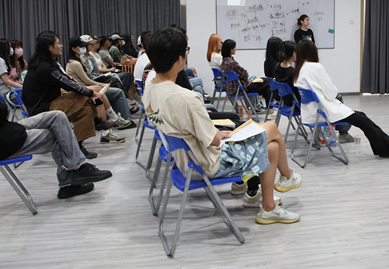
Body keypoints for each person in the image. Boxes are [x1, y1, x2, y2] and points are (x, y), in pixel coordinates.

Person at [143, 27, 302, 223]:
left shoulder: (150, 87)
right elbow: (214, 140)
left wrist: (216, 133)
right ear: (179, 59)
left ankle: (269, 207)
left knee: (272, 147)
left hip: (184, 161)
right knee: (272, 128)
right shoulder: (187, 98)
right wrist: (219, 134)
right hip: (208, 163)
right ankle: (286, 178)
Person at [0, 33, 112, 199]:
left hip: (2, 130)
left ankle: (78, 168)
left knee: (58, 116)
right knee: (60, 134)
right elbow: (1, 112)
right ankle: (70, 180)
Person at [294, 39, 389, 157]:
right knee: (363, 121)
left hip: (311, 114)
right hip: (324, 113)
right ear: (313, 51)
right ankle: (387, 147)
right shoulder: (316, 67)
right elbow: (332, 94)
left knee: (362, 117)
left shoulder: (299, 69)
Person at [22, 31, 112, 159]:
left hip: (53, 102)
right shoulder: (44, 67)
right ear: (50, 47)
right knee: (83, 96)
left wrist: (90, 93)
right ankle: (96, 121)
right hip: (41, 108)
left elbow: (68, 80)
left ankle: (78, 147)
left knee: (86, 109)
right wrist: (91, 93)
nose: (61, 46)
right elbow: (68, 85)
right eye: (58, 43)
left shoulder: (49, 63)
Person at [275, 41, 353, 144]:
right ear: (294, 53)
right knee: (337, 97)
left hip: (287, 103)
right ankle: (343, 132)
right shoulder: (293, 72)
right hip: (301, 104)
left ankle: (339, 130)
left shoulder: (278, 67)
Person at [66, 36, 135, 139]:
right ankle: (114, 121)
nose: (85, 47)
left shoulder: (81, 60)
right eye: (81, 46)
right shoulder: (75, 63)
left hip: (87, 86)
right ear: (74, 49)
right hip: (83, 88)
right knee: (101, 94)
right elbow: (86, 81)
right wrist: (103, 85)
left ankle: (111, 124)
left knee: (101, 93)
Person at [220, 39, 273, 115]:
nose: (235, 49)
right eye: (234, 47)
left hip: (234, 87)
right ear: (231, 49)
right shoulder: (232, 63)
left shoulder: (224, 62)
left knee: (266, 88)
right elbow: (245, 74)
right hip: (242, 87)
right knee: (267, 81)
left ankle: (268, 110)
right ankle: (269, 109)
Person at [0, 38, 23, 104]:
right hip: (6, 94)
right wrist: (22, 87)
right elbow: (7, 81)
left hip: (6, 91)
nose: (11, 49)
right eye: (9, 47)